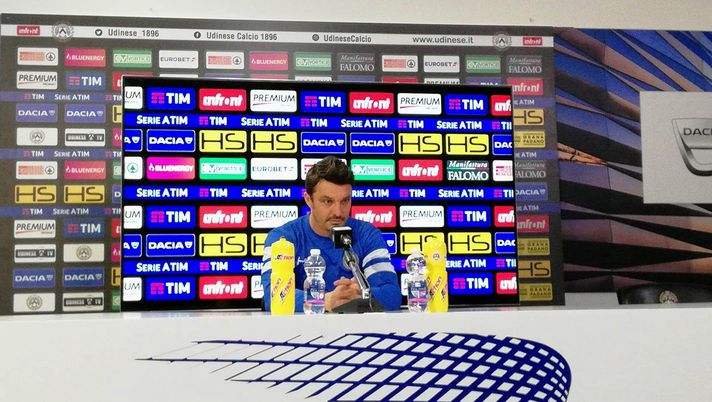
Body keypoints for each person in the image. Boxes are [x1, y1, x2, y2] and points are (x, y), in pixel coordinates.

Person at [261, 156, 401, 312]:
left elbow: (392, 295)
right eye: (328, 201)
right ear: (308, 199)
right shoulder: (283, 238)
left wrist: (359, 294)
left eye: (345, 201)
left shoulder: (367, 235)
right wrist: (324, 301)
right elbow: (272, 296)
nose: (338, 212)